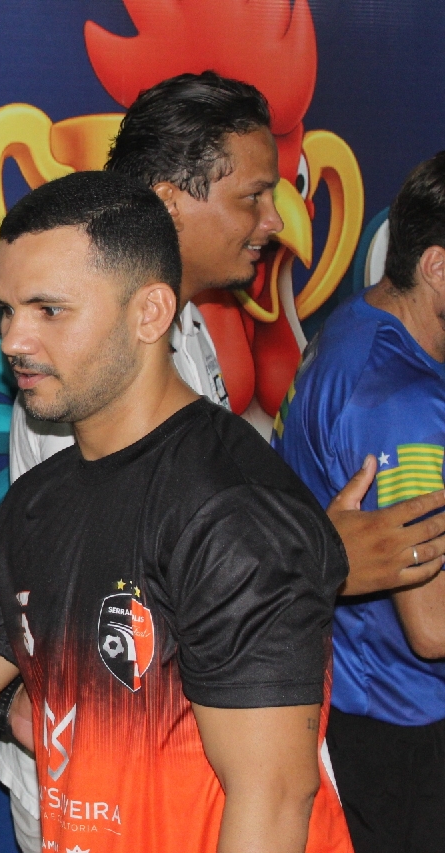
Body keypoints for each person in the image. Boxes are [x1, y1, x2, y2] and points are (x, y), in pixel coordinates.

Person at [0, 170, 352, 853]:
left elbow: (274, 800)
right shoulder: (39, 501)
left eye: (49, 310)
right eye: (7, 310)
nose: (13, 340)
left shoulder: (232, 511)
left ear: (150, 313)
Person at [0, 71, 445, 852]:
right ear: (171, 204)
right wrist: (324, 559)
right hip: (105, 795)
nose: (274, 220)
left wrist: (305, 538)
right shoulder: (88, 373)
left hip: (186, 779)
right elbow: (133, 607)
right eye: (252, 197)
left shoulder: (187, 327)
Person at [274, 152, 445, 853]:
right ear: (437, 267)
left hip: (353, 697)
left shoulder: (359, 321)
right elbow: (433, 627)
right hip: (405, 727)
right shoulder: (404, 404)